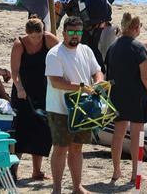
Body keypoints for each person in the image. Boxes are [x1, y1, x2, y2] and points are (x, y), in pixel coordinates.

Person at [46, 16, 104, 194]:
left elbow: (97, 71)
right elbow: (56, 81)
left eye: (78, 32)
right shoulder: (55, 53)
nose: (75, 36)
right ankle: (56, 189)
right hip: (59, 108)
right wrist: (82, 88)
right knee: (61, 148)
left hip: (83, 107)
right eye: (71, 32)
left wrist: (98, 83)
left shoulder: (86, 50)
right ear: (63, 33)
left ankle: (77, 186)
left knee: (77, 148)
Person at [106, 13, 147, 185]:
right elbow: (146, 76)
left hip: (117, 94)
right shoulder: (137, 47)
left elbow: (108, 72)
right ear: (135, 27)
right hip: (136, 95)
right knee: (137, 136)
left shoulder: (113, 46)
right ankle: (135, 173)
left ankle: (116, 171)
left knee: (118, 134)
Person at [11, 17, 58, 180]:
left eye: (38, 36)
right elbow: (14, 73)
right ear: (27, 34)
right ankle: (13, 169)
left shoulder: (49, 38)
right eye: (33, 37)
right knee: (20, 131)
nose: (36, 40)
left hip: (44, 89)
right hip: (23, 90)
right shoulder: (19, 44)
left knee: (42, 129)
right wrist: (20, 88)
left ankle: (36, 171)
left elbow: (62, 55)